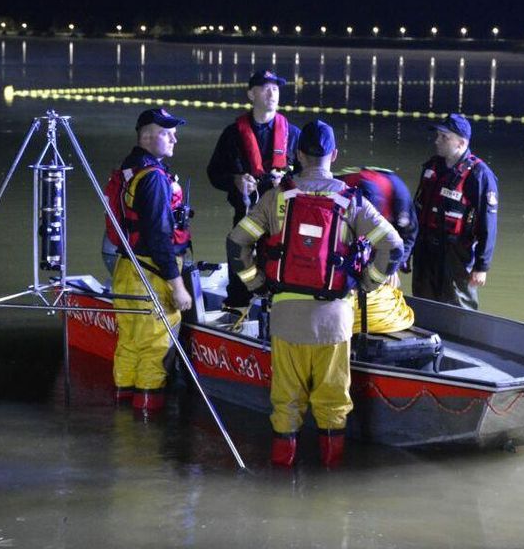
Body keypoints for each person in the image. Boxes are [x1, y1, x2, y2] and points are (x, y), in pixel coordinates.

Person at [226, 120, 403, 467]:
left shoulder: (275, 198)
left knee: (286, 403)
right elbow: (393, 248)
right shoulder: (352, 201)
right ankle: (330, 484)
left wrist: (256, 283)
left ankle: (281, 474)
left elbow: (237, 243)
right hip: (334, 322)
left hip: (286, 318)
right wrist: (368, 282)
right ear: (334, 155)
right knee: (333, 403)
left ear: (297, 154)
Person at [106, 108, 194, 412]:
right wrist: (177, 286)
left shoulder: (130, 169)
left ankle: (124, 418)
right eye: (166, 132)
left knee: (130, 344)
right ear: (146, 135)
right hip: (151, 275)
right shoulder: (154, 178)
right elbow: (159, 237)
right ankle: (146, 428)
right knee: (156, 349)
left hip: (126, 269)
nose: (174, 138)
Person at [207, 70, 301, 313]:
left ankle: (278, 312)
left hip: (284, 220)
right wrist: (235, 181)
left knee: (282, 269)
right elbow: (214, 173)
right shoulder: (232, 135)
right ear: (251, 94)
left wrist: (288, 180)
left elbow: (309, 176)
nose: (272, 93)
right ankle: (237, 310)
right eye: (266, 88)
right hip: (246, 213)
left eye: (276, 88)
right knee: (239, 264)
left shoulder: (293, 135)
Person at [411, 113, 499, 310]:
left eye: (444, 137)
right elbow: (417, 210)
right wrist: (407, 251)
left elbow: (488, 224)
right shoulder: (432, 167)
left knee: (459, 308)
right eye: (438, 135)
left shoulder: (479, 175)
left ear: (461, 143)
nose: (437, 141)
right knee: (423, 305)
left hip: (455, 254)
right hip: (425, 250)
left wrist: (481, 267)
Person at [335, 167, 418, 334]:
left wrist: (393, 266)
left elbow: (408, 235)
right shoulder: (342, 191)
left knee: (386, 271)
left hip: (387, 236)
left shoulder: (399, 197)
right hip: (348, 231)